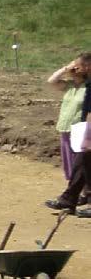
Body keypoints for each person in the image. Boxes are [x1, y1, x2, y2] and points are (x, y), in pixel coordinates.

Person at [46, 61, 91, 216]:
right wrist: (66, 69)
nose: (75, 68)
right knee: (80, 165)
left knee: (84, 164)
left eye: (79, 65)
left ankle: (75, 199)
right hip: (82, 129)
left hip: (84, 129)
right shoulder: (77, 86)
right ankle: (69, 200)